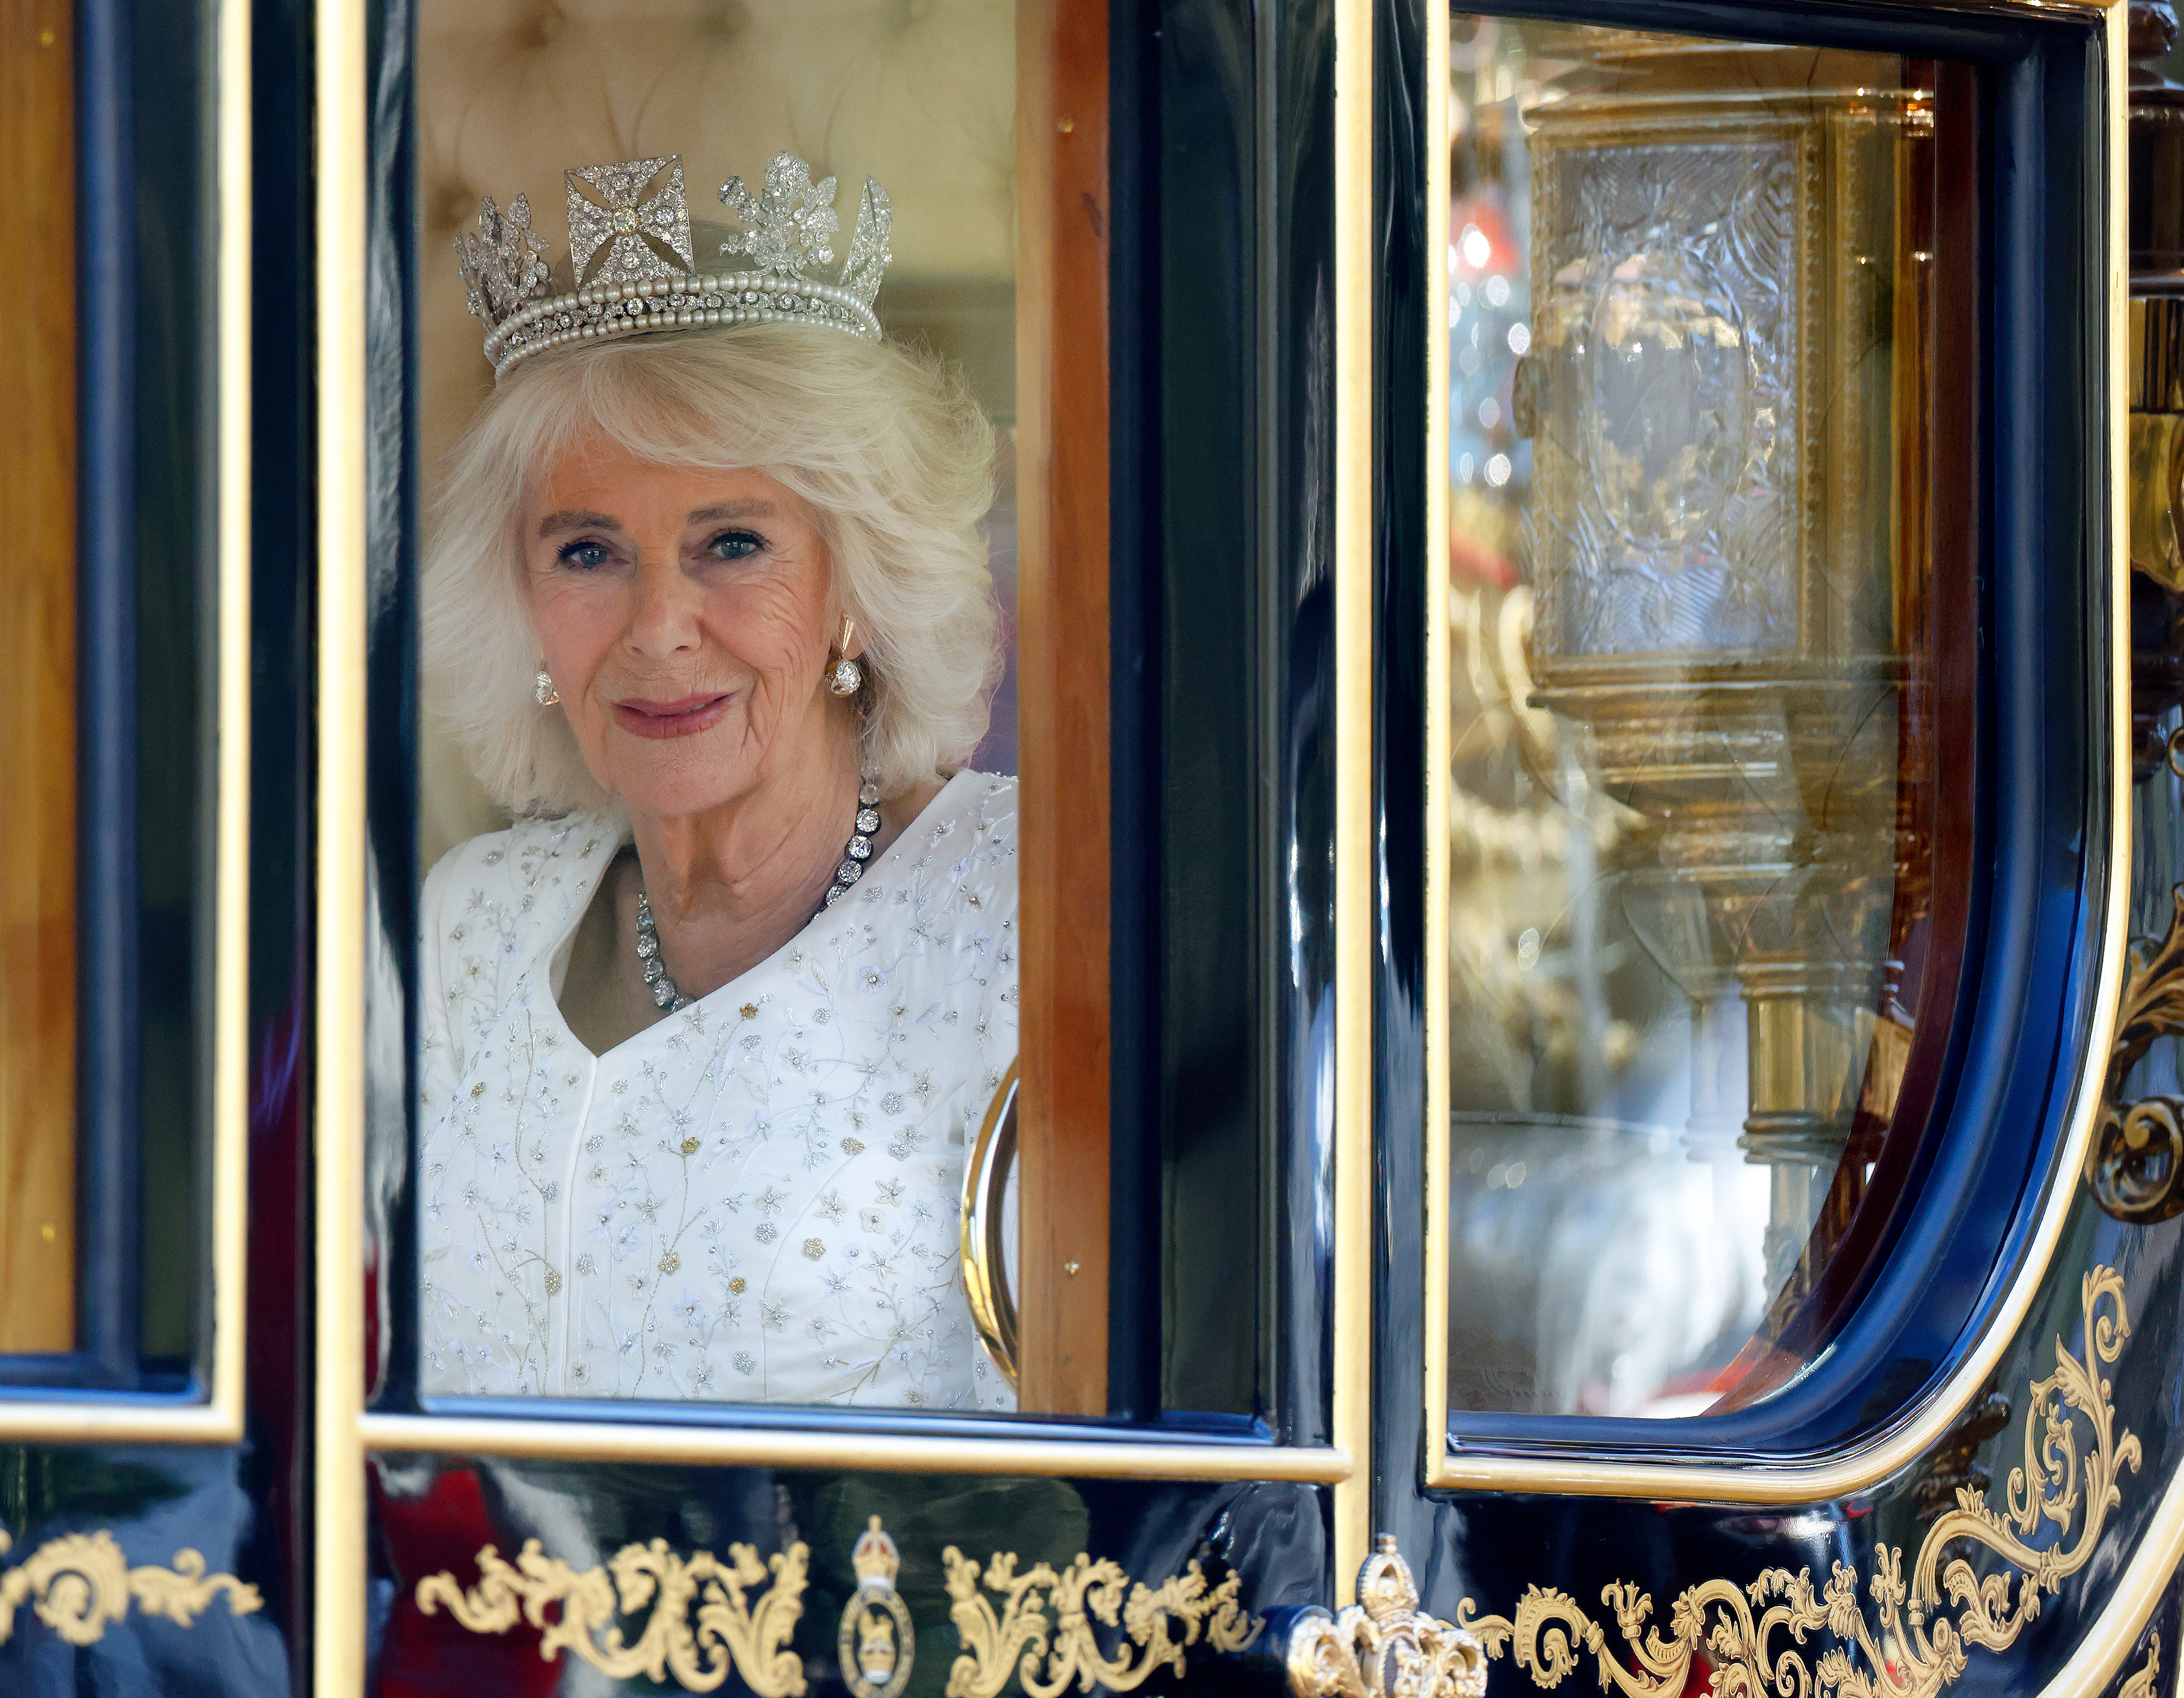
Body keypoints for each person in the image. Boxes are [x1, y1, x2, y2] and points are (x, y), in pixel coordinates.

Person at [414, 151, 1015, 1409]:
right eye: (589, 551)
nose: (660, 627)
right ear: (521, 600)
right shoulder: (468, 923)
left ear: (854, 583)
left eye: (731, 544)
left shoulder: (1018, 919)